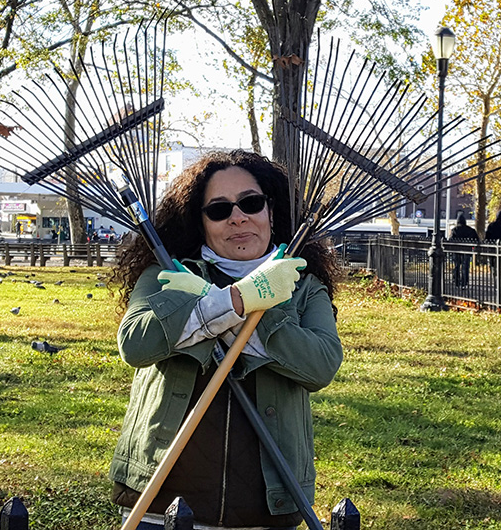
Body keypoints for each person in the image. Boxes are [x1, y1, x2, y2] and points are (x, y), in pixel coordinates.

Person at [109, 150, 343, 529]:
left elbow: (319, 365)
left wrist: (240, 312)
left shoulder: (303, 287)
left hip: (264, 505)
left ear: (271, 210)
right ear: (199, 222)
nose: (238, 217)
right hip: (162, 497)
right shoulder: (167, 274)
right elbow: (136, 342)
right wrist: (234, 300)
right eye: (219, 210)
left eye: (251, 203)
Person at [448, 212, 478, 287]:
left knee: (457, 266)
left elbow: (450, 240)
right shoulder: (470, 230)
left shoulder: (455, 230)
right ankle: (465, 281)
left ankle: (456, 281)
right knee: (465, 266)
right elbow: (476, 240)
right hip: (467, 250)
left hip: (457, 250)